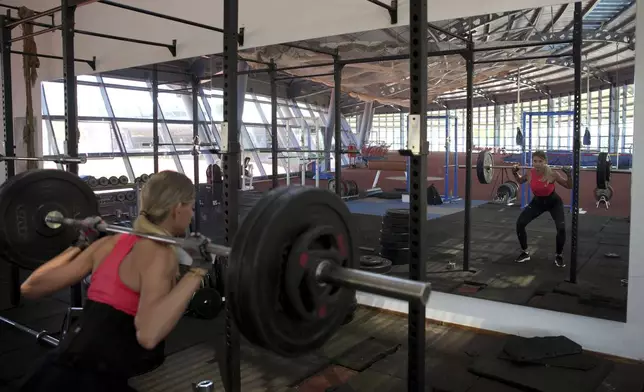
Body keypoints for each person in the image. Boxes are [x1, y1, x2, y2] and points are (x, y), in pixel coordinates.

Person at [19, 171, 208, 392]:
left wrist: (81, 244)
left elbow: (30, 286)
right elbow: (149, 334)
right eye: (191, 207)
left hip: (56, 367)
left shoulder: (111, 243)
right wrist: (197, 271)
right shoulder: (160, 254)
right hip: (94, 379)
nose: (192, 214)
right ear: (178, 208)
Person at [511, 150, 572, 268]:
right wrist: (514, 173)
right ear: (532, 162)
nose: (537, 164)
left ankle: (559, 255)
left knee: (561, 229)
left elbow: (568, 186)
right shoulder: (530, 173)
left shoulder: (552, 174)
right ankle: (525, 252)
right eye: (535, 161)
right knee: (520, 223)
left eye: (540, 161)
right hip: (538, 202)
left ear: (545, 162)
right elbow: (520, 181)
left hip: (553, 202)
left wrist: (569, 175)